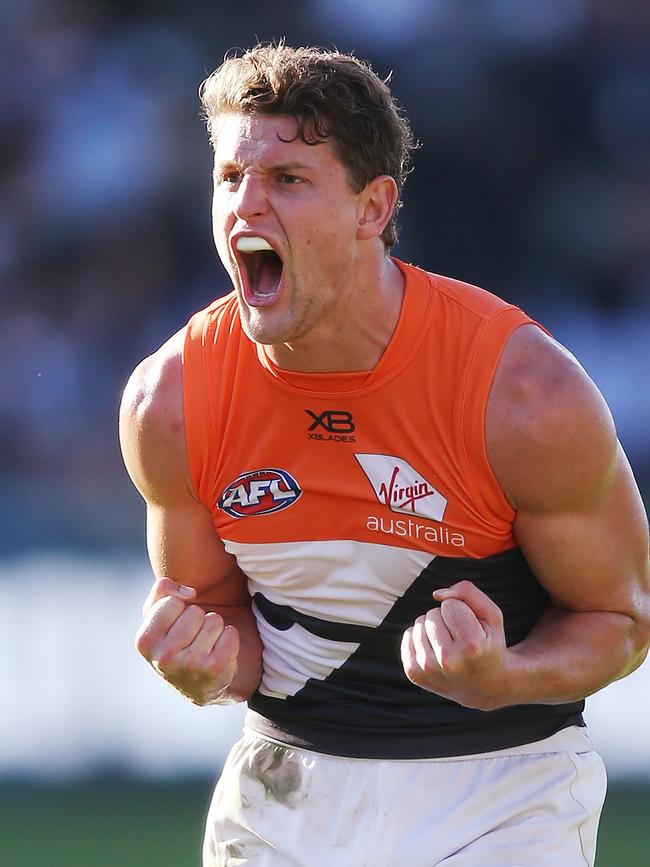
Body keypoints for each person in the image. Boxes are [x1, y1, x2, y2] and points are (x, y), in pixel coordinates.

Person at [119, 43, 650, 867]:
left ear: (373, 208)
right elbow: (224, 627)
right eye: (230, 178)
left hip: (501, 796)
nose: (246, 207)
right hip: (281, 792)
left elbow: (621, 619)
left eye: (288, 180)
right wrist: (204, 667)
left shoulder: (523, 392)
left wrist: (505, 674)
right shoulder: (171, 400)